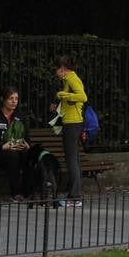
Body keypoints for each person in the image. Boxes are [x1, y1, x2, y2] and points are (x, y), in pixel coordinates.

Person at [0, 86, 40, 200]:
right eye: (10, 98)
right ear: (3, 100)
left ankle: (29, 192)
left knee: (26, 155)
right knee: (12, 156)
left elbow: (27, 138)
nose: (14, 102)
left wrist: (26, 145)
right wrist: (2, 146)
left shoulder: (20, 117)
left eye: (16, 99)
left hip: (16, 151)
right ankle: (16, 193)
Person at [50, 56, 87, 208]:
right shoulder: (67, 80)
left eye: (57, 69)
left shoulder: (72, 78)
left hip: (73, 124)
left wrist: (63, 95)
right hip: (71, 122)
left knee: (71, 160)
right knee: (74, 160)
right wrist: (58, 104)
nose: (56, 72)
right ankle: (74, 194)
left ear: (63, 69)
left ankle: (75, 197)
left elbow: (82, 97)